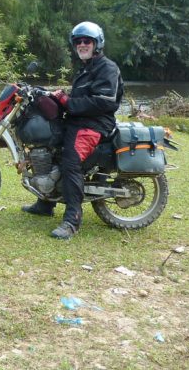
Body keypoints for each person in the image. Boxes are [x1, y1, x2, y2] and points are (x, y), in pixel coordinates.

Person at [21, 21, 123, 241]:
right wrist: (52, 95)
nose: (82, 44)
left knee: (70, 161)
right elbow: (78, 98)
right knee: (50, 143)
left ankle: (72, 220)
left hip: (95, 124)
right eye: (78, 41)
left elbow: (103, 102)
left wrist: (67, 101)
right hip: (78, 121)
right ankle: (46, 203)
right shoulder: (85, 69)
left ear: (97, 43)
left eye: (87, 41)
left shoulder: (107, 68)